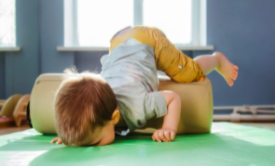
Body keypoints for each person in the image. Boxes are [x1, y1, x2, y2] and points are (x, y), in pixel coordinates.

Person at [51, 26, 239, 146]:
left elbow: (173, 98)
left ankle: (217, 60)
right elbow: (81, 107)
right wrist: (74, 137)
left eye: (93, 143)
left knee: (189, 72)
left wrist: (169, 127)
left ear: (115, 116)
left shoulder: (138, 105)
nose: (90, 146)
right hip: (118, 42)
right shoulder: (99, 92)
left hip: (149, 41)